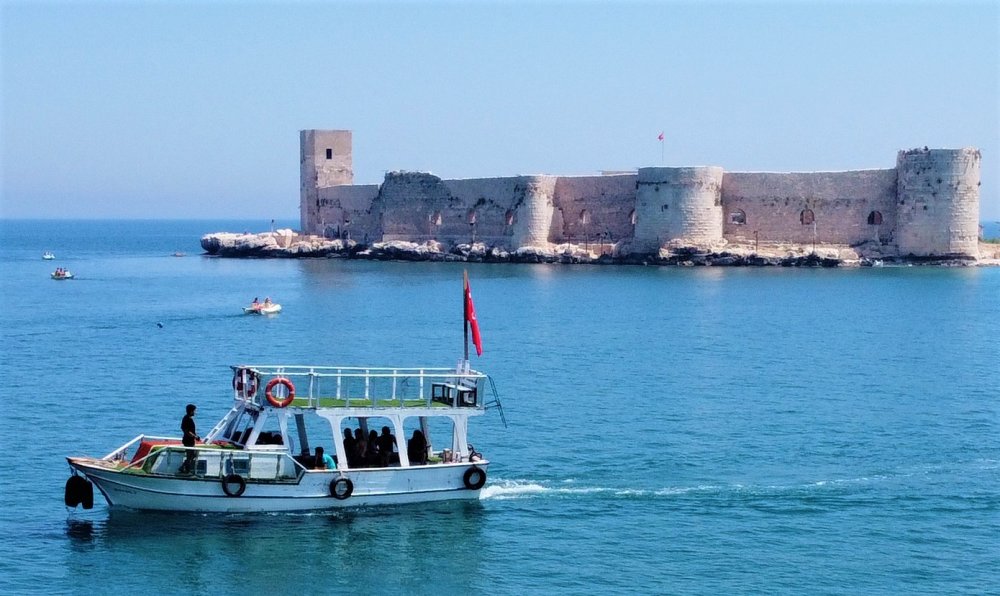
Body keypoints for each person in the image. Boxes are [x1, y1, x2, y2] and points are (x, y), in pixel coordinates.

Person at [179, 404, 200, 473]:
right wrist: (195, 436)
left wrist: (194, 436)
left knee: (192, 454)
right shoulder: (188, 419)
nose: (195, 412)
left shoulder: (186, 418)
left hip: (188, 439)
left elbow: (184, 428)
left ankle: (184, 467)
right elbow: (187, 430)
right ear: (191, 411)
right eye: (194, 411)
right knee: (190, 455)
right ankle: (185, 469)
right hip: (188, 440)